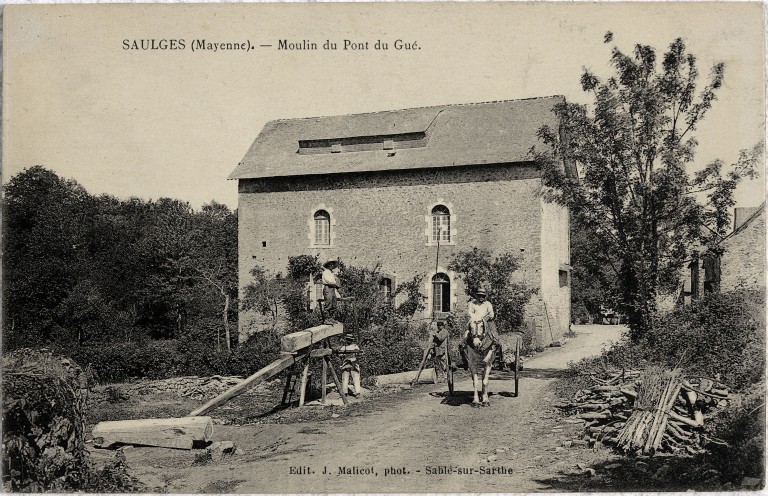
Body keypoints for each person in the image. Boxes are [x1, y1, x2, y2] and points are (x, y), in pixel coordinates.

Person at [462, 288, 500, 407]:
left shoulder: (488, 304)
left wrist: (485, 319)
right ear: (476, 296)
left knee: (495, 337)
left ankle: (485, 395)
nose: (481, 297)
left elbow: (492, 314)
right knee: (463, 339)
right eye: (479, 295)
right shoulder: (472, 304)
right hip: (474, 323)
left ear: (485, 296)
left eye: (483, 296)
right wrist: (475, 318)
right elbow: (470, 313)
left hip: (487, 323)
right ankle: (465, 357)